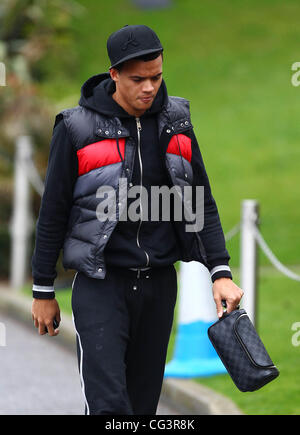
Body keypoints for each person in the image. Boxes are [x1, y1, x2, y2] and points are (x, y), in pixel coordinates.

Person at [31, 24, 243, 415]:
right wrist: (43, 290)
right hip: (101, 286)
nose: (149, 87)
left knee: (143, 407)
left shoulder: (177, 119)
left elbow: (201, 201)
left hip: (159, 286)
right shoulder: (76, 127)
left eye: (156, 76)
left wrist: (221, 271)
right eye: (137, 79)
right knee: (111, 408)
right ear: (114, 75)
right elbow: (54, 211)